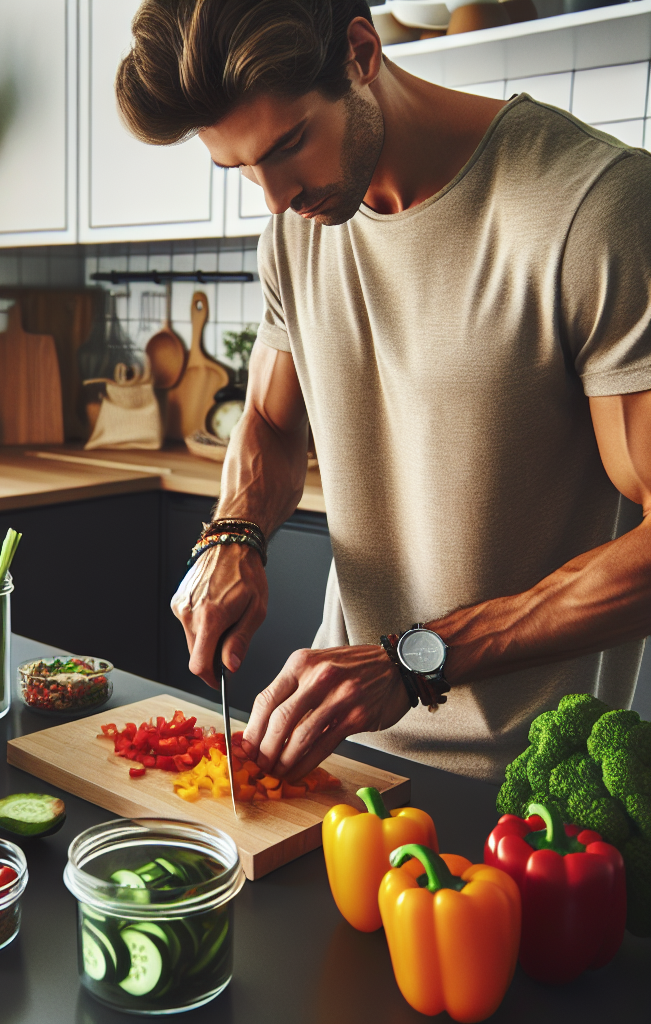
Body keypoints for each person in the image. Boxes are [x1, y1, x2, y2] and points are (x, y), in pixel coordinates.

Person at [115, 0, 651, 783]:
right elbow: (269, 415)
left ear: (361, 52)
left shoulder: (593, 207)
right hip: (346, 769)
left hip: (534, 794)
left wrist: (414, 661)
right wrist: (235, 532)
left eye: (290, 144)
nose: (273, 197)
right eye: (239, 169)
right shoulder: (294, 232)